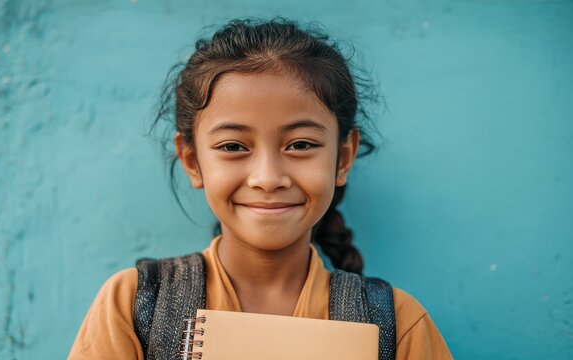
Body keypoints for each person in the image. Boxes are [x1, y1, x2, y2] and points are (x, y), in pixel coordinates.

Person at [68, 17, 452, 359]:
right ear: (192, 161)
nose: (267, 178)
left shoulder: (397, 324)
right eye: (233, 147)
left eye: (300, 145)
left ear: (343, 158)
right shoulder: (136, 304)